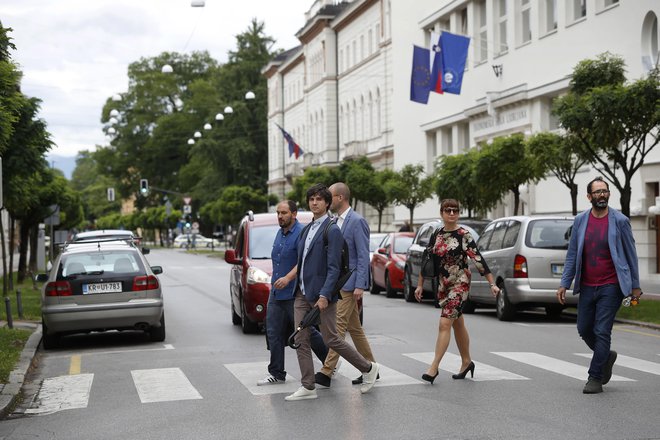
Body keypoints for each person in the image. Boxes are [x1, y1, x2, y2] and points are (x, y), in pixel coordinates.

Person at [285, 183, 379, 401]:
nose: (314, 202)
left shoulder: (332, 230)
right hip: (301, 293)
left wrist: (325, 295)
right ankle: (308, 386)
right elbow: (302, 262)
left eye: (319, 199)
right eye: (311, 199)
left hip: (321, 295)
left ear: (327, 203)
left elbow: (334, 267)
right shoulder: (307, 229)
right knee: (301, 338)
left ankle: (368, 368)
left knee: (331, 339)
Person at [556, 176, 642, 394]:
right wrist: (564, 282)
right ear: (589, 197)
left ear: (608, 194)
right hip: (587, 285)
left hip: (611, 285)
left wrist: (635, 286)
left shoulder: (620, 221)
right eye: (597, 192)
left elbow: (631, 255)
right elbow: (573, 254)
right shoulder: (581, 221)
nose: (602, 195)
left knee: (602, 330)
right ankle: (606, 355)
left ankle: (595, 377)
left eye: (605, 191)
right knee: (584, 329)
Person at [414, 198, 499, 384]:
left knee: (444, 323)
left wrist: (492, 283)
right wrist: (420, 285)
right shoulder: (436, 233)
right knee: (457, 323)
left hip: (460, 284)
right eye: (448, 210)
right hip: (444, 285)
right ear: (441, 213)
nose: (452, 213)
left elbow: (479, 260)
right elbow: (427, 260)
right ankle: (467, 362)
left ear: (458, 213)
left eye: (455, 210)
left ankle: (434, 367)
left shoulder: (464, 235)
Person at [257, 200, 328, 386]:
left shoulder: (302, 233)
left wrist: (288, 278)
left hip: (294, 292)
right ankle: (277, 373)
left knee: (306, 331)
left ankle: (329, 363)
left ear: (294, 214)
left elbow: (304, 261)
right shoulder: (279, 234)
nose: (280, 216)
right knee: (273, 333)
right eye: (278, 213)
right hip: (276, 293)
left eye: (284, 213)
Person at [315, 182, 377, 388]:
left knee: (338, 327)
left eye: (329, 196)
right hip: (336, 283)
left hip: (350, 284)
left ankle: (326, 370)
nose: (325, 199)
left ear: (340, 198)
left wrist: (361, 284)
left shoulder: (357, 221)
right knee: (355, 329)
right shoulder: (333, 221)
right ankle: (371, 367)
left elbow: (362, 255)